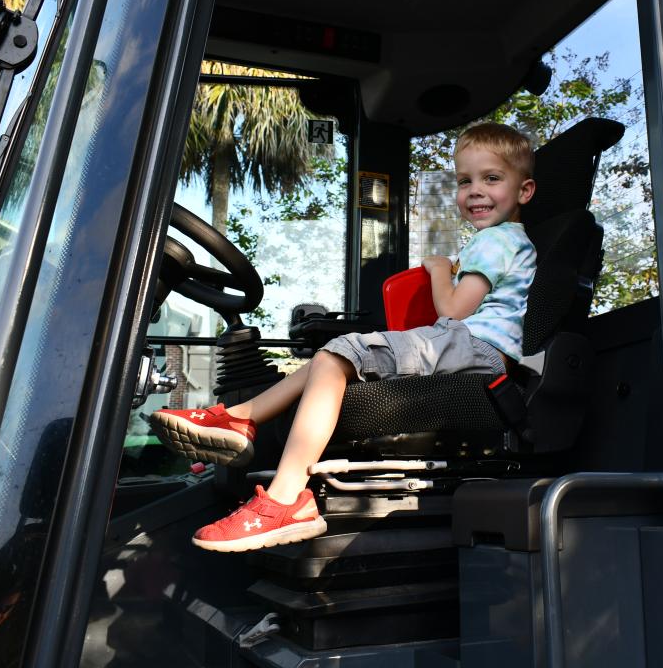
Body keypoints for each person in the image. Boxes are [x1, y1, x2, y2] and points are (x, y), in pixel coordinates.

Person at [150, 122, 537, 552]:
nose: (475, 191)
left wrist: (439, 270)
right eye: (465, 181)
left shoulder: (494, 242)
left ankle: (285, 500)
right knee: (328, 359)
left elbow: (453, 309)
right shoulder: (506, 242)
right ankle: (240, 418)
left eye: (491, 179)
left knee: (337, 356)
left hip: (470, 348)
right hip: (470, 348)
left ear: (525, 191)